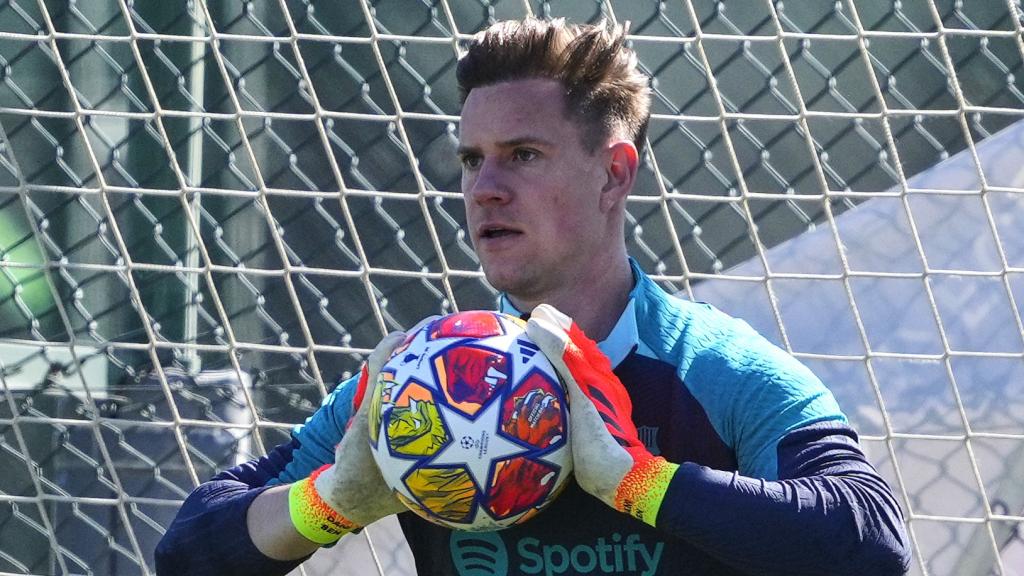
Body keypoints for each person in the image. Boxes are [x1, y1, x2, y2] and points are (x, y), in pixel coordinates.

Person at [155, 17, 911, 576]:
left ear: (614, 173)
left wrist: (635, 483)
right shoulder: (418, 385)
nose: (484, 188)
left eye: (522, 155)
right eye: (471, 159)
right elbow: (188, 554)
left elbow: (874, 543)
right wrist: (331, 499)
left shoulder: (716, 370)